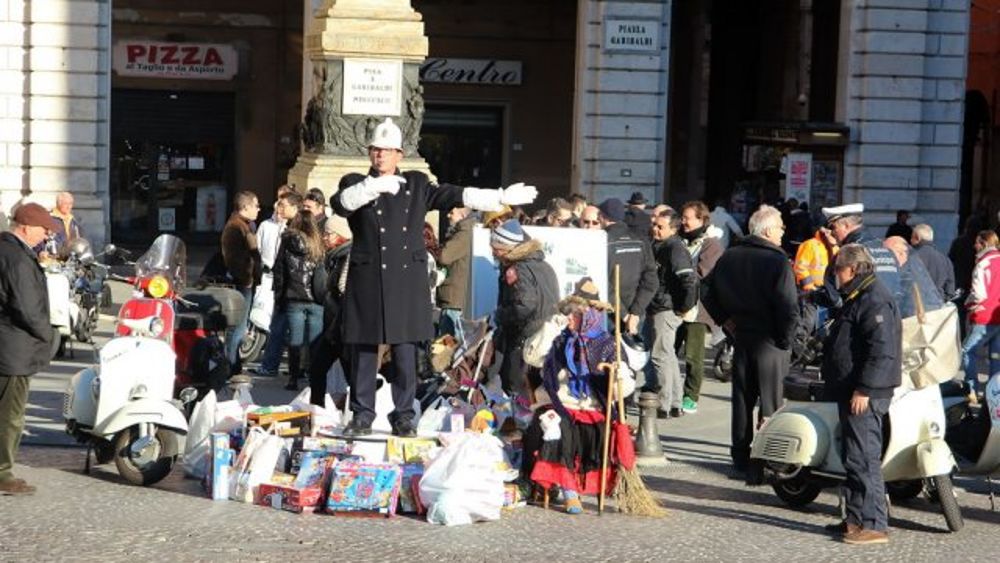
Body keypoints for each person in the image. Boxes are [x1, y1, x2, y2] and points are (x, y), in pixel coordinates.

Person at [331, 117, 537, 437]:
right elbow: (341, 205)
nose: (380, 155)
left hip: (405, 280)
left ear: (399, 154)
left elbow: (455, 194)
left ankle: (402, 415)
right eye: (375, 149)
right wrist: (370, 187)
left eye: (387, 150)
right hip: (369, 277)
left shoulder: (415, 184)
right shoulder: (356, 182)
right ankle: (362, 414)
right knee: (365, 350)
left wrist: (498, 197)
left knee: (404, 351)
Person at [701, 205, 799, 474]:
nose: (783, 231)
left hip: (742, 335)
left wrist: (725, 319)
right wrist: (787, 340)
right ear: (768, 230)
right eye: (780, 226)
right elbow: (789, 306)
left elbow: (705, 289)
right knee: (771, 402)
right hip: (770, 339)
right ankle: (770, 456)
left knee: (743, 399)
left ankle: (741, 455)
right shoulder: (777, 260)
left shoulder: (731, 255)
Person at [821, 244, 901, 545]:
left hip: (865, 392)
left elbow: (882, 351)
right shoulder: (859, 295)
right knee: (853, 457)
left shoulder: (874, 299)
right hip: (852, 388)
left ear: (852, 270)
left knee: (865, 458)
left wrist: (864, 389)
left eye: (837, 269)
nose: (835, 275)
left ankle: (874, 523)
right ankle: (855, 519)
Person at [521, 293, 618, 514]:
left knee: (600, 429)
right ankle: (569, 490)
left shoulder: (605, 343)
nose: (570, 319)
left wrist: (618, 377)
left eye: (576, 314)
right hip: (557, 403)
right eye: (568, 314)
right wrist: (551, 327)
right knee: (561, 425)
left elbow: (624, 385)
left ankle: (589, 484)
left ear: (589, 316)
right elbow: (532, 356)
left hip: (591, 405)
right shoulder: (558, 339)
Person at [0, 203, 56, 495]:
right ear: (25, 226)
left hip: (8, 346)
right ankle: (3, 474)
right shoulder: (18, 258)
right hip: (13, 350)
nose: (47, 234)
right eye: (43, 228)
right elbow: (27, 307)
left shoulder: (8, 250)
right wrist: (48, 335)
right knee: (10, 415)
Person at [491, 219, 560, 399]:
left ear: (509, 248)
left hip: (524, 339)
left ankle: (517, 425)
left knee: (516, 391)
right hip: (546, 336)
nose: (493, 252)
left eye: (496, 248)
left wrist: (499, 315)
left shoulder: (517, 270)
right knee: (538, 391)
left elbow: (524, 306)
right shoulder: (544, 266)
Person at [645, 210, 698, 418]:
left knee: (660, 355)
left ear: (673, 229)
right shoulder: (661, 245)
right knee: (668, 355)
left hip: (665, 307)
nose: (655, 229)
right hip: (662, 305)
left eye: (661, 227)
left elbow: (689, 280)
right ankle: (675, 402)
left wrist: (684, 307)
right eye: (655, 225)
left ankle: (664, 403)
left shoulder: (674, 247)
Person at [678, 200, 724, 414]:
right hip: (675, 304)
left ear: (701, 219)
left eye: (688, 218)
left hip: (697, 309)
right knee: (668, 349)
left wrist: (677, 274)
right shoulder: (679, 239)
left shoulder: (711, 244)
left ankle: (691, 395)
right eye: (683, 217)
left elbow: (703, 273)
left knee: (693, 355)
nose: (683, 221)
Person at [273, 210, 326, 391]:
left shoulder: (287, 242)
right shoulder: (318, 243)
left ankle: (293, 379)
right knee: (315, 343)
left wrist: (278, 297)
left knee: (294, 341)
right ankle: (314, 378)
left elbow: (279, 271)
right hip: (316, 299)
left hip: (293, 296)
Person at [813, 203, 901, 312]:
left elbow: (833, 297)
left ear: (845, 225)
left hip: (859, 319)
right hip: (891, 317)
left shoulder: (847, 254)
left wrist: (812, 297)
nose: (831, 233)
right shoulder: (884, 249)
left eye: (833, 227)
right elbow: (900, 287)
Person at [254, 192, 303, 377]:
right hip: (282, 284)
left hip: (292, 288)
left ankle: (286, 369)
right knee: (280, 327)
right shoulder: (271, 226)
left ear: (294, 208)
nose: (278, 208)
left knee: (285, 329)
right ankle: (276, 366)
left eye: (283, 205)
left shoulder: (296, 231)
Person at [308, 215, 353, 407]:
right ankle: (316, 409)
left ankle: (360, 412)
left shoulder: (349, 257)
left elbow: (344, 289)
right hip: (333, 328)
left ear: (341, 235)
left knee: (353, 375)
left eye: (328, 234)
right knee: (317, 368)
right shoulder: (333, 257)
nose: (324, 238)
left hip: (343, 327)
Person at [597, 198, 658, 336]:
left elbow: (602, 282)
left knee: (607, 354)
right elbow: (651, 280)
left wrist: (625, 315)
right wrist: (635, 313)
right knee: (633, 355)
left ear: (602, 217)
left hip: (610, 313)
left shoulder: (602, 240)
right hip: (635, 312)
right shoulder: (641, 239)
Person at [221, 191, 262, 372]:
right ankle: (231, 364)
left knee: (240, 326)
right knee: (238, 327)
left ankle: (233, 362)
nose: (259, 209)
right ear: (245, 207)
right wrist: (246, 278)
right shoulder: (235, 227)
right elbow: (233, 258)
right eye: (256, 205)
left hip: (247, 281)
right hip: (242, 283)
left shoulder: (245, 225)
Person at [961, 230, 1000, 399]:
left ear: (984, 244)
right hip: (998, 313)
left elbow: (979, 294)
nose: (974, 245)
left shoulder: (982, 264)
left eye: (977, 242)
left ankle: (972, 389)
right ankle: (995, 392)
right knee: (996, 355)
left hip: (984, 315)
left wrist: (968, 303)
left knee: (967, 351)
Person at [436, 206, 475, 345]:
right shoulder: (467, 232)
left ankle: (446, 367)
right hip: (457, 296)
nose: (448, 216)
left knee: (446, 347)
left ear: (462, 215)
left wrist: (439, 249)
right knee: (451, 344)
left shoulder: (464, 234)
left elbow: (444, 256)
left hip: (455, 298)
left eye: (452, 212)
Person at [882, 236, 944, 315]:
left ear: (901, 253)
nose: (885, 257)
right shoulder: (913, 268)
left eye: (888, 253)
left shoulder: (909, 274)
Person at [910, 223, 955, 301]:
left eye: (912, 237)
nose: (910, 240)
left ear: (917, 238)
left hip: (916, 305)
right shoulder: (945, 260)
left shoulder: (910, 258)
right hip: (937, 304)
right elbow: (950, 290)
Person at [794, 227, 835, 292]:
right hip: (810, 290)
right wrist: (809, 286)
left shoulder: (835, 247)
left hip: (826, 289)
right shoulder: (810, 244)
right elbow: (800, 267)